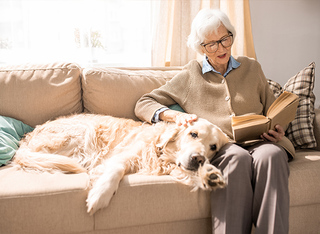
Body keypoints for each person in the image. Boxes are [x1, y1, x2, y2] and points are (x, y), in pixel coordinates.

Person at [135, 8, 294, 234]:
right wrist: (174, 115)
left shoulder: (252, 67)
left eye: (225, 39)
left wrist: (279, 130)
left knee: (274, 155)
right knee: (237, 158)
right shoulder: (192, 74)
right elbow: (144, 102)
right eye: (212, 44)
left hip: (259, 141)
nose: (221, 48)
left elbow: (272, 109)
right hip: (223, 146)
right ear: (201, 48)